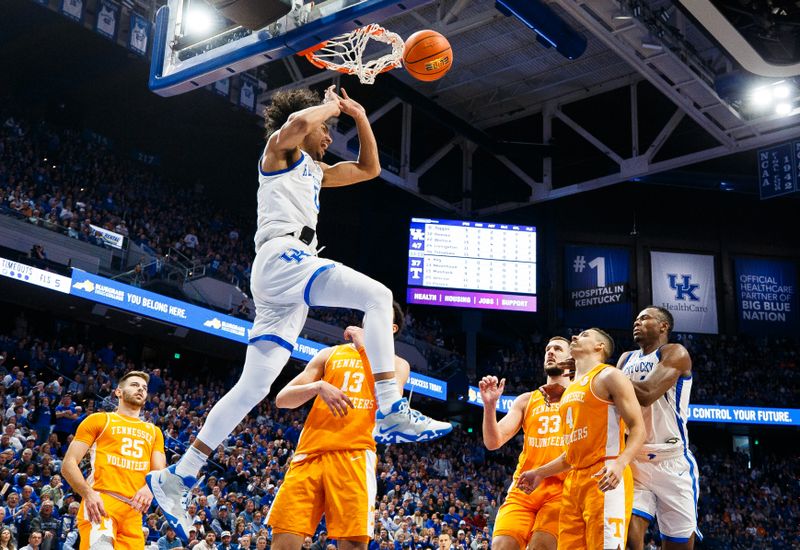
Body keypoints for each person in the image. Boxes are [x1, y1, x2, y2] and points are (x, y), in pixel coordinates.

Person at [147, 85, 450, 538]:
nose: (328, 137)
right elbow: (297, 125)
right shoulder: (277, 153)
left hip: (284, 284)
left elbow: (370, 168)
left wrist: (357, 114)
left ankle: (178, 476)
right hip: (282, 257)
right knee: (377, 297)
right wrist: (329, 106)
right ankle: (390, 406)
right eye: (327, 130)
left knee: (254, 387)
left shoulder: (316, 171)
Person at [267, 305, 411, 550]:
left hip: (353, 456)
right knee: (283, 542)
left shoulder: (397, 364)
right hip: (309, 455)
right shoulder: (330, 354)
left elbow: (390, 405)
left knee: (353, 545)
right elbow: (283, 399)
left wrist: (366, 349)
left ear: (392, 328)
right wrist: (317, 387)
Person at [518, 329, 645, 550]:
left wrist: (620, 462)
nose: (576, 337)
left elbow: (638, 428)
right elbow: (572, 454)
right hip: (574, 482)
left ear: (599, 347)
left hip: (604, 474)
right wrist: (539, 472)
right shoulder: (568, 392)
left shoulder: (610, 376)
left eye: (584, 335)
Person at [479, 336, 572, 550]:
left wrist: (541, 473)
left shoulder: (579, 398)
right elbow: (493, 442)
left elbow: (578, 453)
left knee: (542, 546)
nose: (550, 352)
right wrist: (490, 406)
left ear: (571, 360)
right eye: (548, 348)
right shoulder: (526, 400)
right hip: (524, 488)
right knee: (502, 546)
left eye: (558, 349)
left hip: (561, 488)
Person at [618, 307, 701, 549]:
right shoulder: (625, 359)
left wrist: (604, 374)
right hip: (635, 459)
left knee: (678, 544)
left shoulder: (675, 352)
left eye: (644, 318)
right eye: (635, 318)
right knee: (628, 533)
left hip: (671, 461)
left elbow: (646, 393)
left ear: (663, 326)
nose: (637, 322)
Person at [61, 371, 166, 550]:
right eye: (134, 385)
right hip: (101, 503)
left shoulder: (154, 431)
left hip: (133, 512)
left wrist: (149, 487)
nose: (140, 389)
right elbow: (68, 464)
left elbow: (158, 471)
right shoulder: (100, 420)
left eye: (144, 387)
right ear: (118, 392)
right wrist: (88, 494)